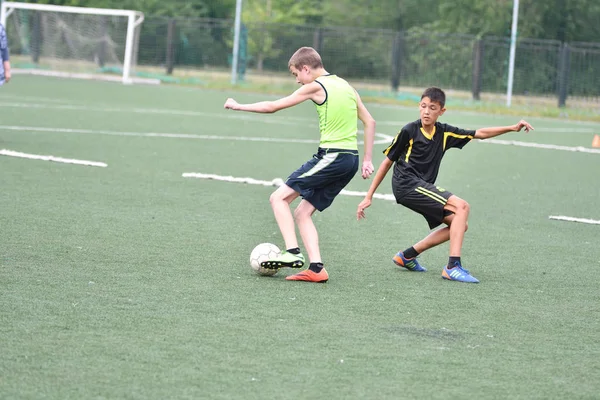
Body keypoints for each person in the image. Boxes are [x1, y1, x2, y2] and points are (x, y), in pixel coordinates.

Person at [224, 46, 376, 283]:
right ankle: (317, 269)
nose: (297, 81)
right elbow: (370, 121)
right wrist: (367, 159)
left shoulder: (316, 85)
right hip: (351, 160)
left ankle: (292, 253)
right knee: (303, 213)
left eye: (296, 74)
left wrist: (238, 105)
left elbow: (273, 106)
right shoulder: (347, 86)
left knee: (278, 198)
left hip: (332, 156)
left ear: (306, 68)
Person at [356, 87, 533, 283]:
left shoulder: (444, 133)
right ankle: (453, 266)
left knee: (459, 224)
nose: (426, 112)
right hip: (406, 184)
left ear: (441, 111)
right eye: (423, 106)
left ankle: (407, 255)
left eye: (432, 108)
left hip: (419, 185)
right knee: (462, 206)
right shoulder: (409, 130)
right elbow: (388, 161)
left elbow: (480, 133)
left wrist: (512, 127)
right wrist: (368, 196)